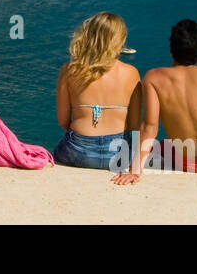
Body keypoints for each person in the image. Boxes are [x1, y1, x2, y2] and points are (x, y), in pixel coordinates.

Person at [112, 19, 197, 184]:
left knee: (163, 145)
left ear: (171, 49)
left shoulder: (153, 78)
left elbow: (149, 128)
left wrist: (135, 171)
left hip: (184, 161)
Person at [53, 12, 142, 169]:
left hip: (78, 150)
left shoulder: (69, 70)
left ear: (88, 35)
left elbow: (63, 120)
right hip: (118, 153)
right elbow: (134, 124)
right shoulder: (131, 73)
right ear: (119, 40)